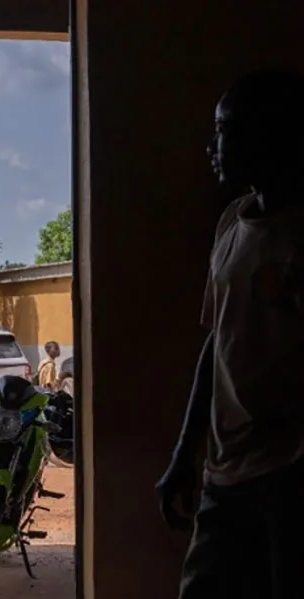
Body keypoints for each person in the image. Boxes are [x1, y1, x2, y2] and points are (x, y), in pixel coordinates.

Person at [156, 68, 304, 599]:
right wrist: (183, 456)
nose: (212, 146)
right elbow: (215, 346)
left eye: (225, 130)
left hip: (289, 475)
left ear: (271, 135)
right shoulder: (231, 224)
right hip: (225, 475)